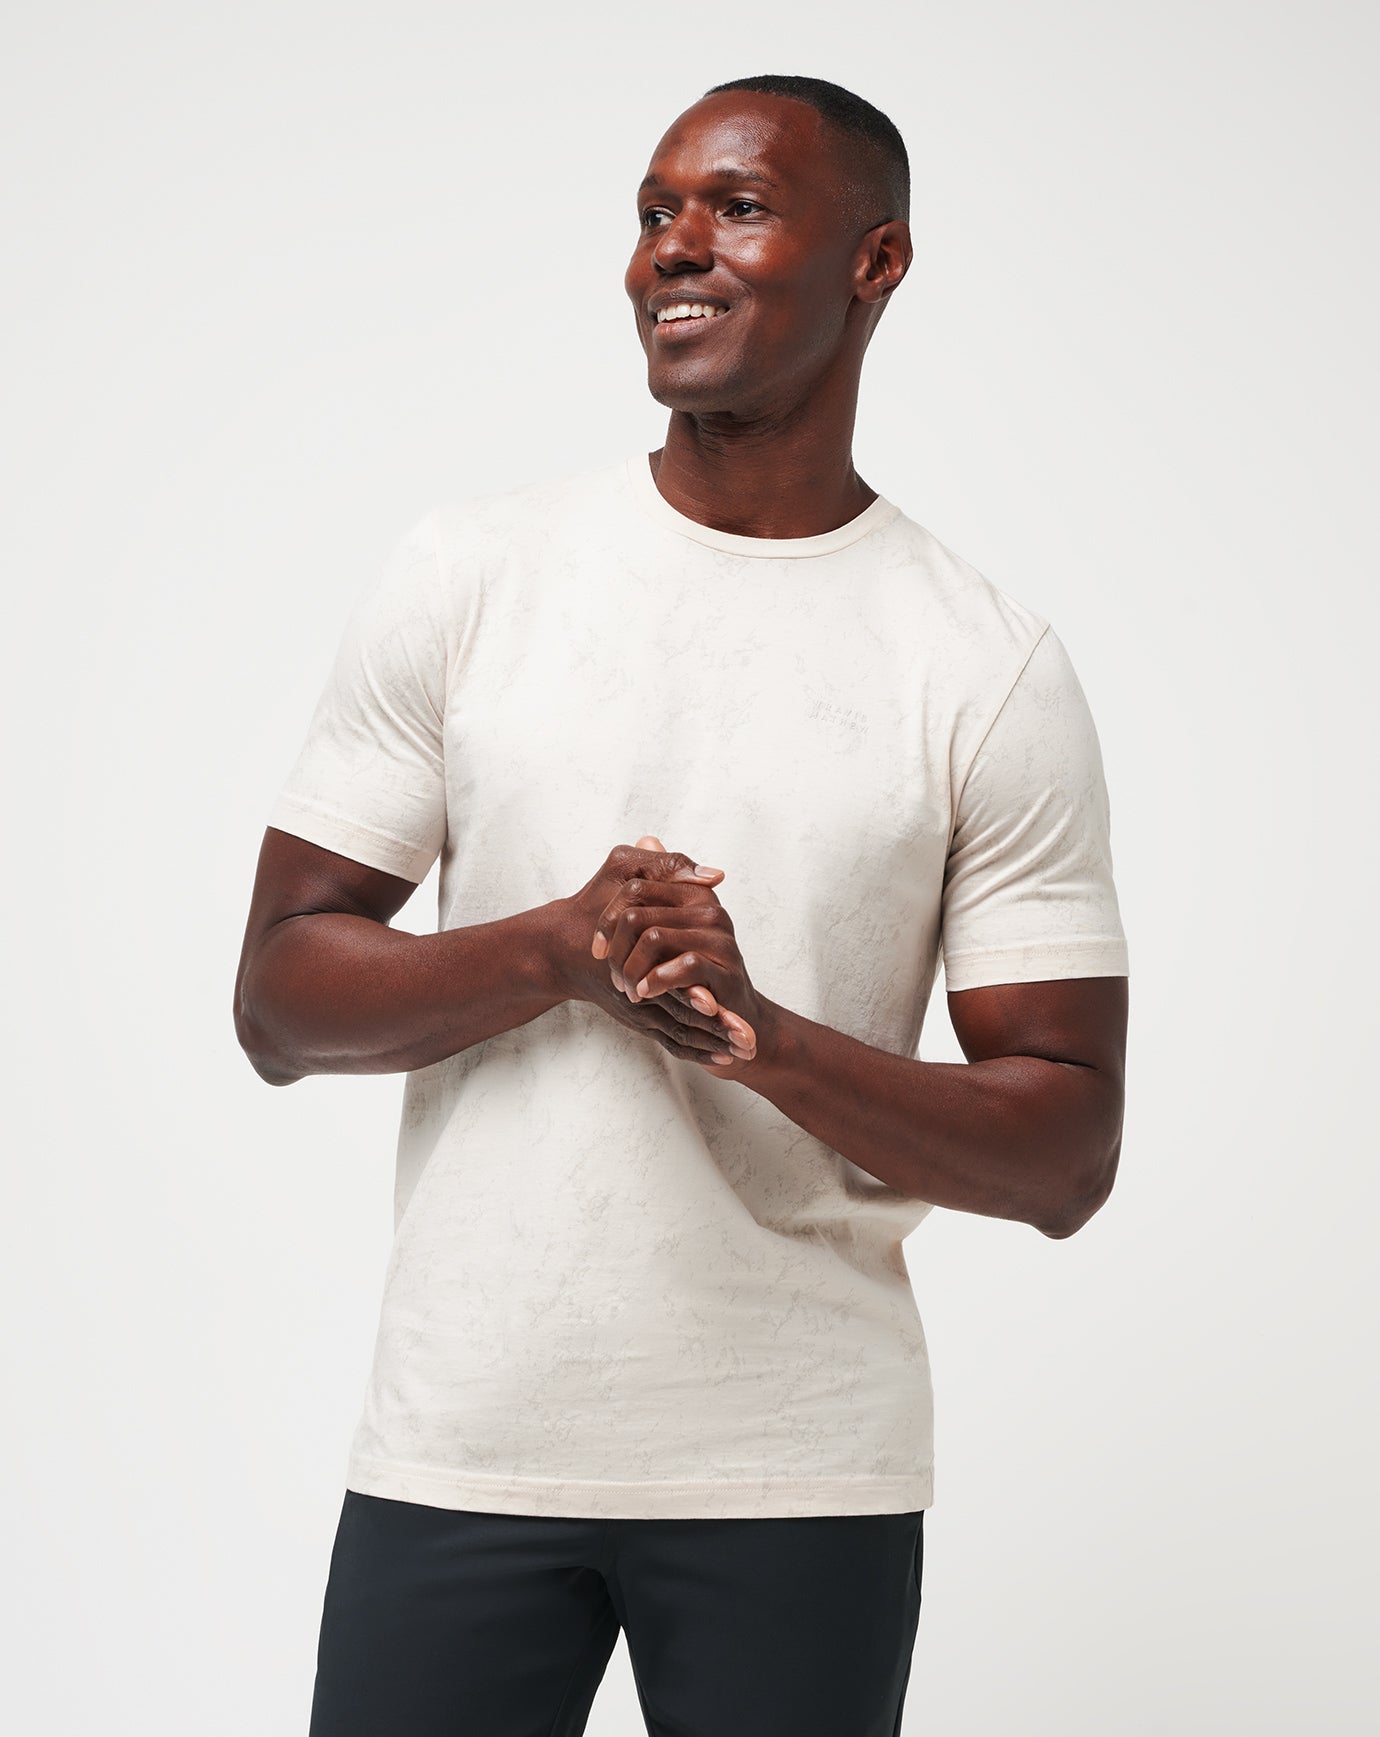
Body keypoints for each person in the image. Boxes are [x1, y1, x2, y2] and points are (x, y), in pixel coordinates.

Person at [234, 72, 1129, 1737]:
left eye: (738, 206)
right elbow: (280, 997)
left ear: (876, 262)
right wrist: (556, 949)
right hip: (466, 1444)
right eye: (655, 212)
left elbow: (1067, 1149)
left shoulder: (980, 665)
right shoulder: (473, 575)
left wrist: (762, 1039)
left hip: (799, 1466)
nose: (675, 247)